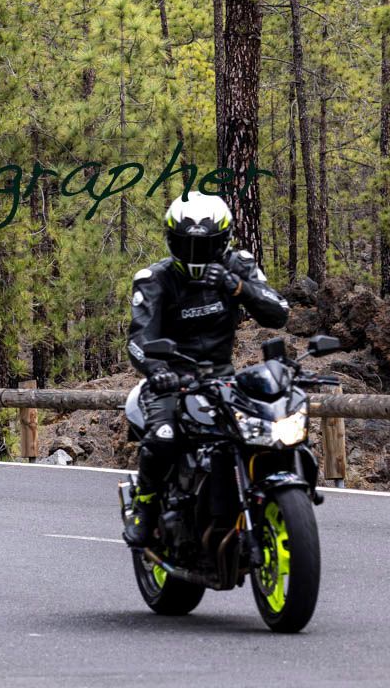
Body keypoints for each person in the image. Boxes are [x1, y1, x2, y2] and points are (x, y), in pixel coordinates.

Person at [122, 191, 290, 546]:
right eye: (187, 244)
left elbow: (279, 312)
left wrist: (240, 288)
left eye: (207, 245)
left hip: (223, 378)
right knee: (164, 438)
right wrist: (157, 370)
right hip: (171, 380)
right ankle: (145, 504)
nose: (197, 255)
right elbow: (138, 338)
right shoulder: (153, 279)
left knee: (266, 431)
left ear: (224, 240)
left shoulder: (238, 266)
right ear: (172, 241)